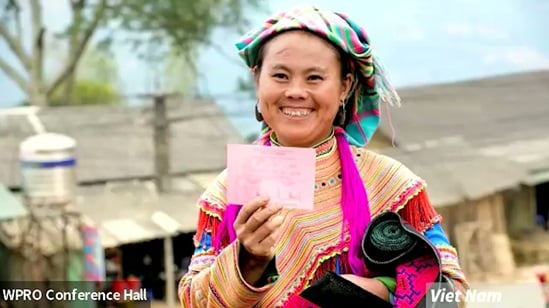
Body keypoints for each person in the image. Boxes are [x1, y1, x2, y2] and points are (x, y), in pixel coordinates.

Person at [178, 4, 468, 307]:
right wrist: (247, 261)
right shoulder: (225, 195)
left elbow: (450, 297)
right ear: (257, 80)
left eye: (314, 78)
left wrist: (380, 290)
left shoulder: (391, 185)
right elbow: (192, 301)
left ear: (345, 86)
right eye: (280, 75)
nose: (296, 92)